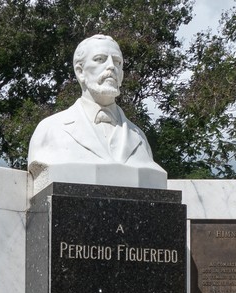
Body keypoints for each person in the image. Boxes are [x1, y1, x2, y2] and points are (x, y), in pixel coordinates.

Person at [27, 34, 166, 186]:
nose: (111, 66)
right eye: (100, 59)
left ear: (122, 75)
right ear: (80, 72)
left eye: (117, 62)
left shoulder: (139, 139)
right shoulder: (49, 131)